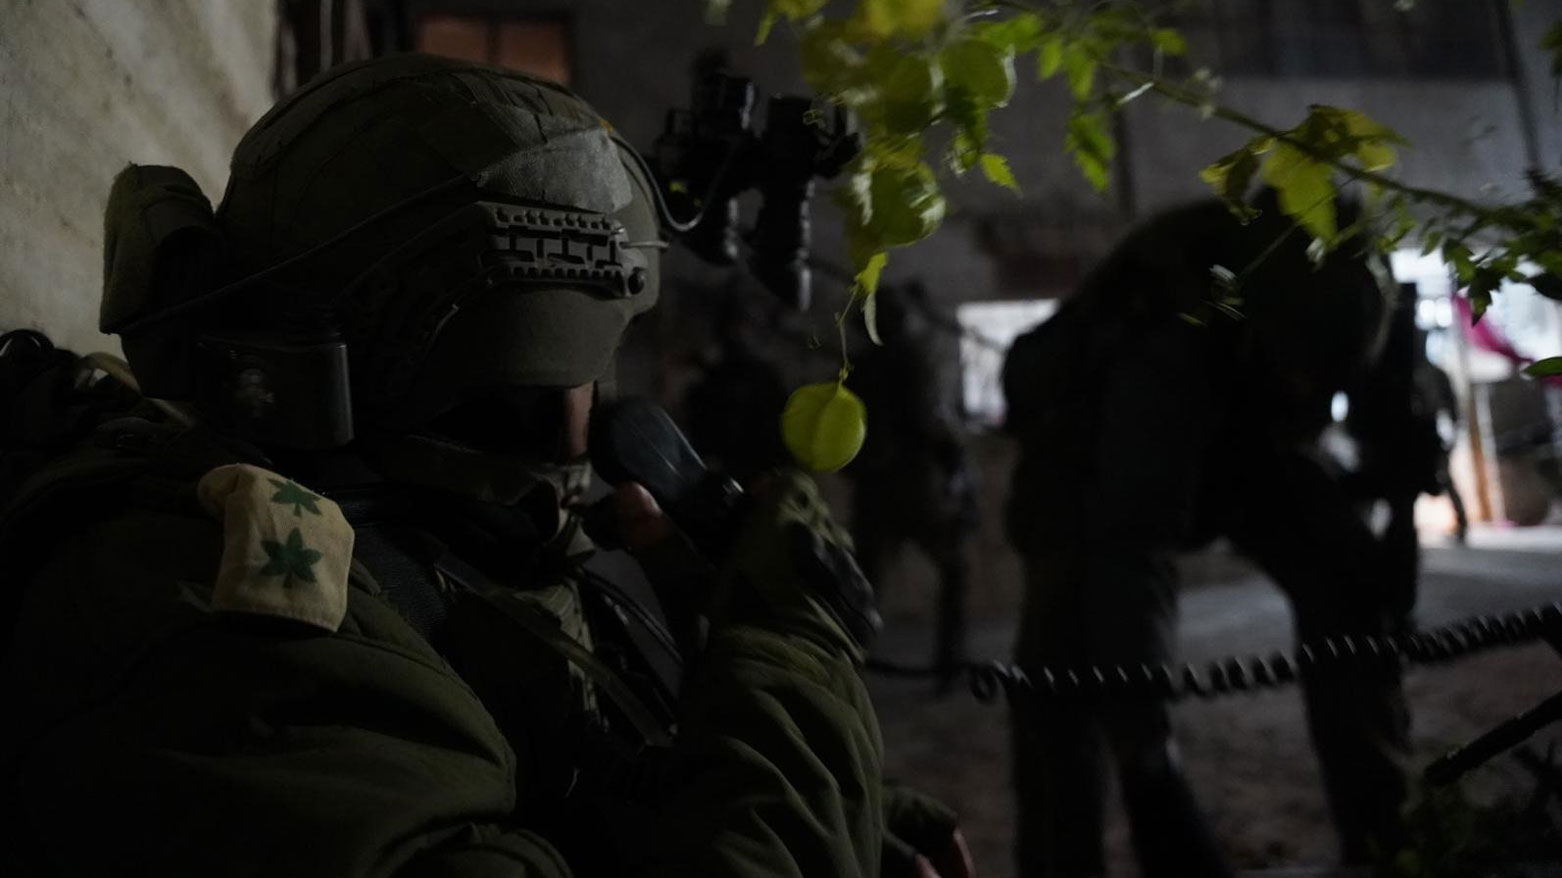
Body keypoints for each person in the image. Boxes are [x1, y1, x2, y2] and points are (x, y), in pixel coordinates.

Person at [0, 55, 972, 878]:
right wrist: (791, 657)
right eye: (593, 362)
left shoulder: (406, 531)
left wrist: (824, 798)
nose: (598, 411)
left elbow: (572, 775)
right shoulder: (222, 627)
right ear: (525, 385)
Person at [1002, 191, 1409, 877]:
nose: (1314, 393)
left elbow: (1382, 409)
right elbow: (1134, 543)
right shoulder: (1176, 328)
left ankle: (1390, 839)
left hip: (1242, 433)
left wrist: (1393, 531)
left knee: (1348, 579)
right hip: (1083, 464)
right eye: (1300, 374)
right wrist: (1150, 757)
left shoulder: (1352, 285)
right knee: (1064, 670)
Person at [845, 281, 978, 686]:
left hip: (872, 490)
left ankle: (846, 670)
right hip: (915, 488)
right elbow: (928, 420)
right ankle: (949, 665)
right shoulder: (912, 360)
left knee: (863, 587)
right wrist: (954, 458)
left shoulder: (858, 369)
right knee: (956, 570)